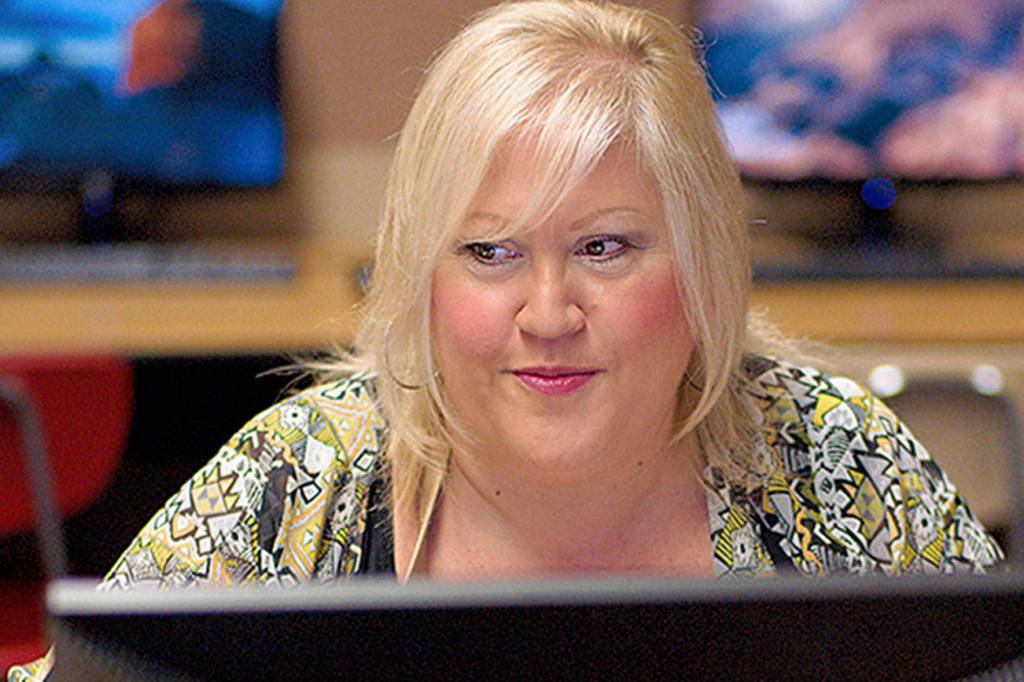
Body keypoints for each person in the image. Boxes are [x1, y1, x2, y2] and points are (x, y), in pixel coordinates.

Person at [7, 0, 1003, 679]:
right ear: (421, 276)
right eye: (489, 252)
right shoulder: (296, 481)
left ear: (701, 263)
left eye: (604, 247)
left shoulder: (837, 460)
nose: (548, 313)